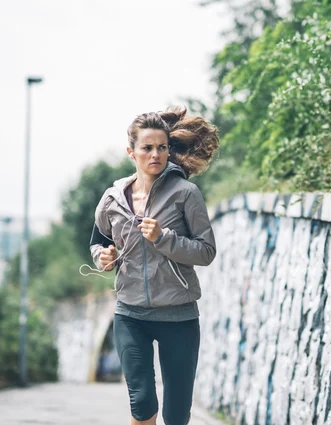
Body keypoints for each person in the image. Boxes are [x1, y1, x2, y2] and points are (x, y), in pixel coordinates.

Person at [89, 106, 218, 425]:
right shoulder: (112, 199)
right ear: (131, 152)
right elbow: (97, 241)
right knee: (143, 404)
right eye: (147, 148)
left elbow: (206, 252)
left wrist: (164, 238)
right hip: (131, 314)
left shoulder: (186, 194)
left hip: (178, 315)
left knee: (176, 415)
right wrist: (103, 257)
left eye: (162, 147)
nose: (155, 154)